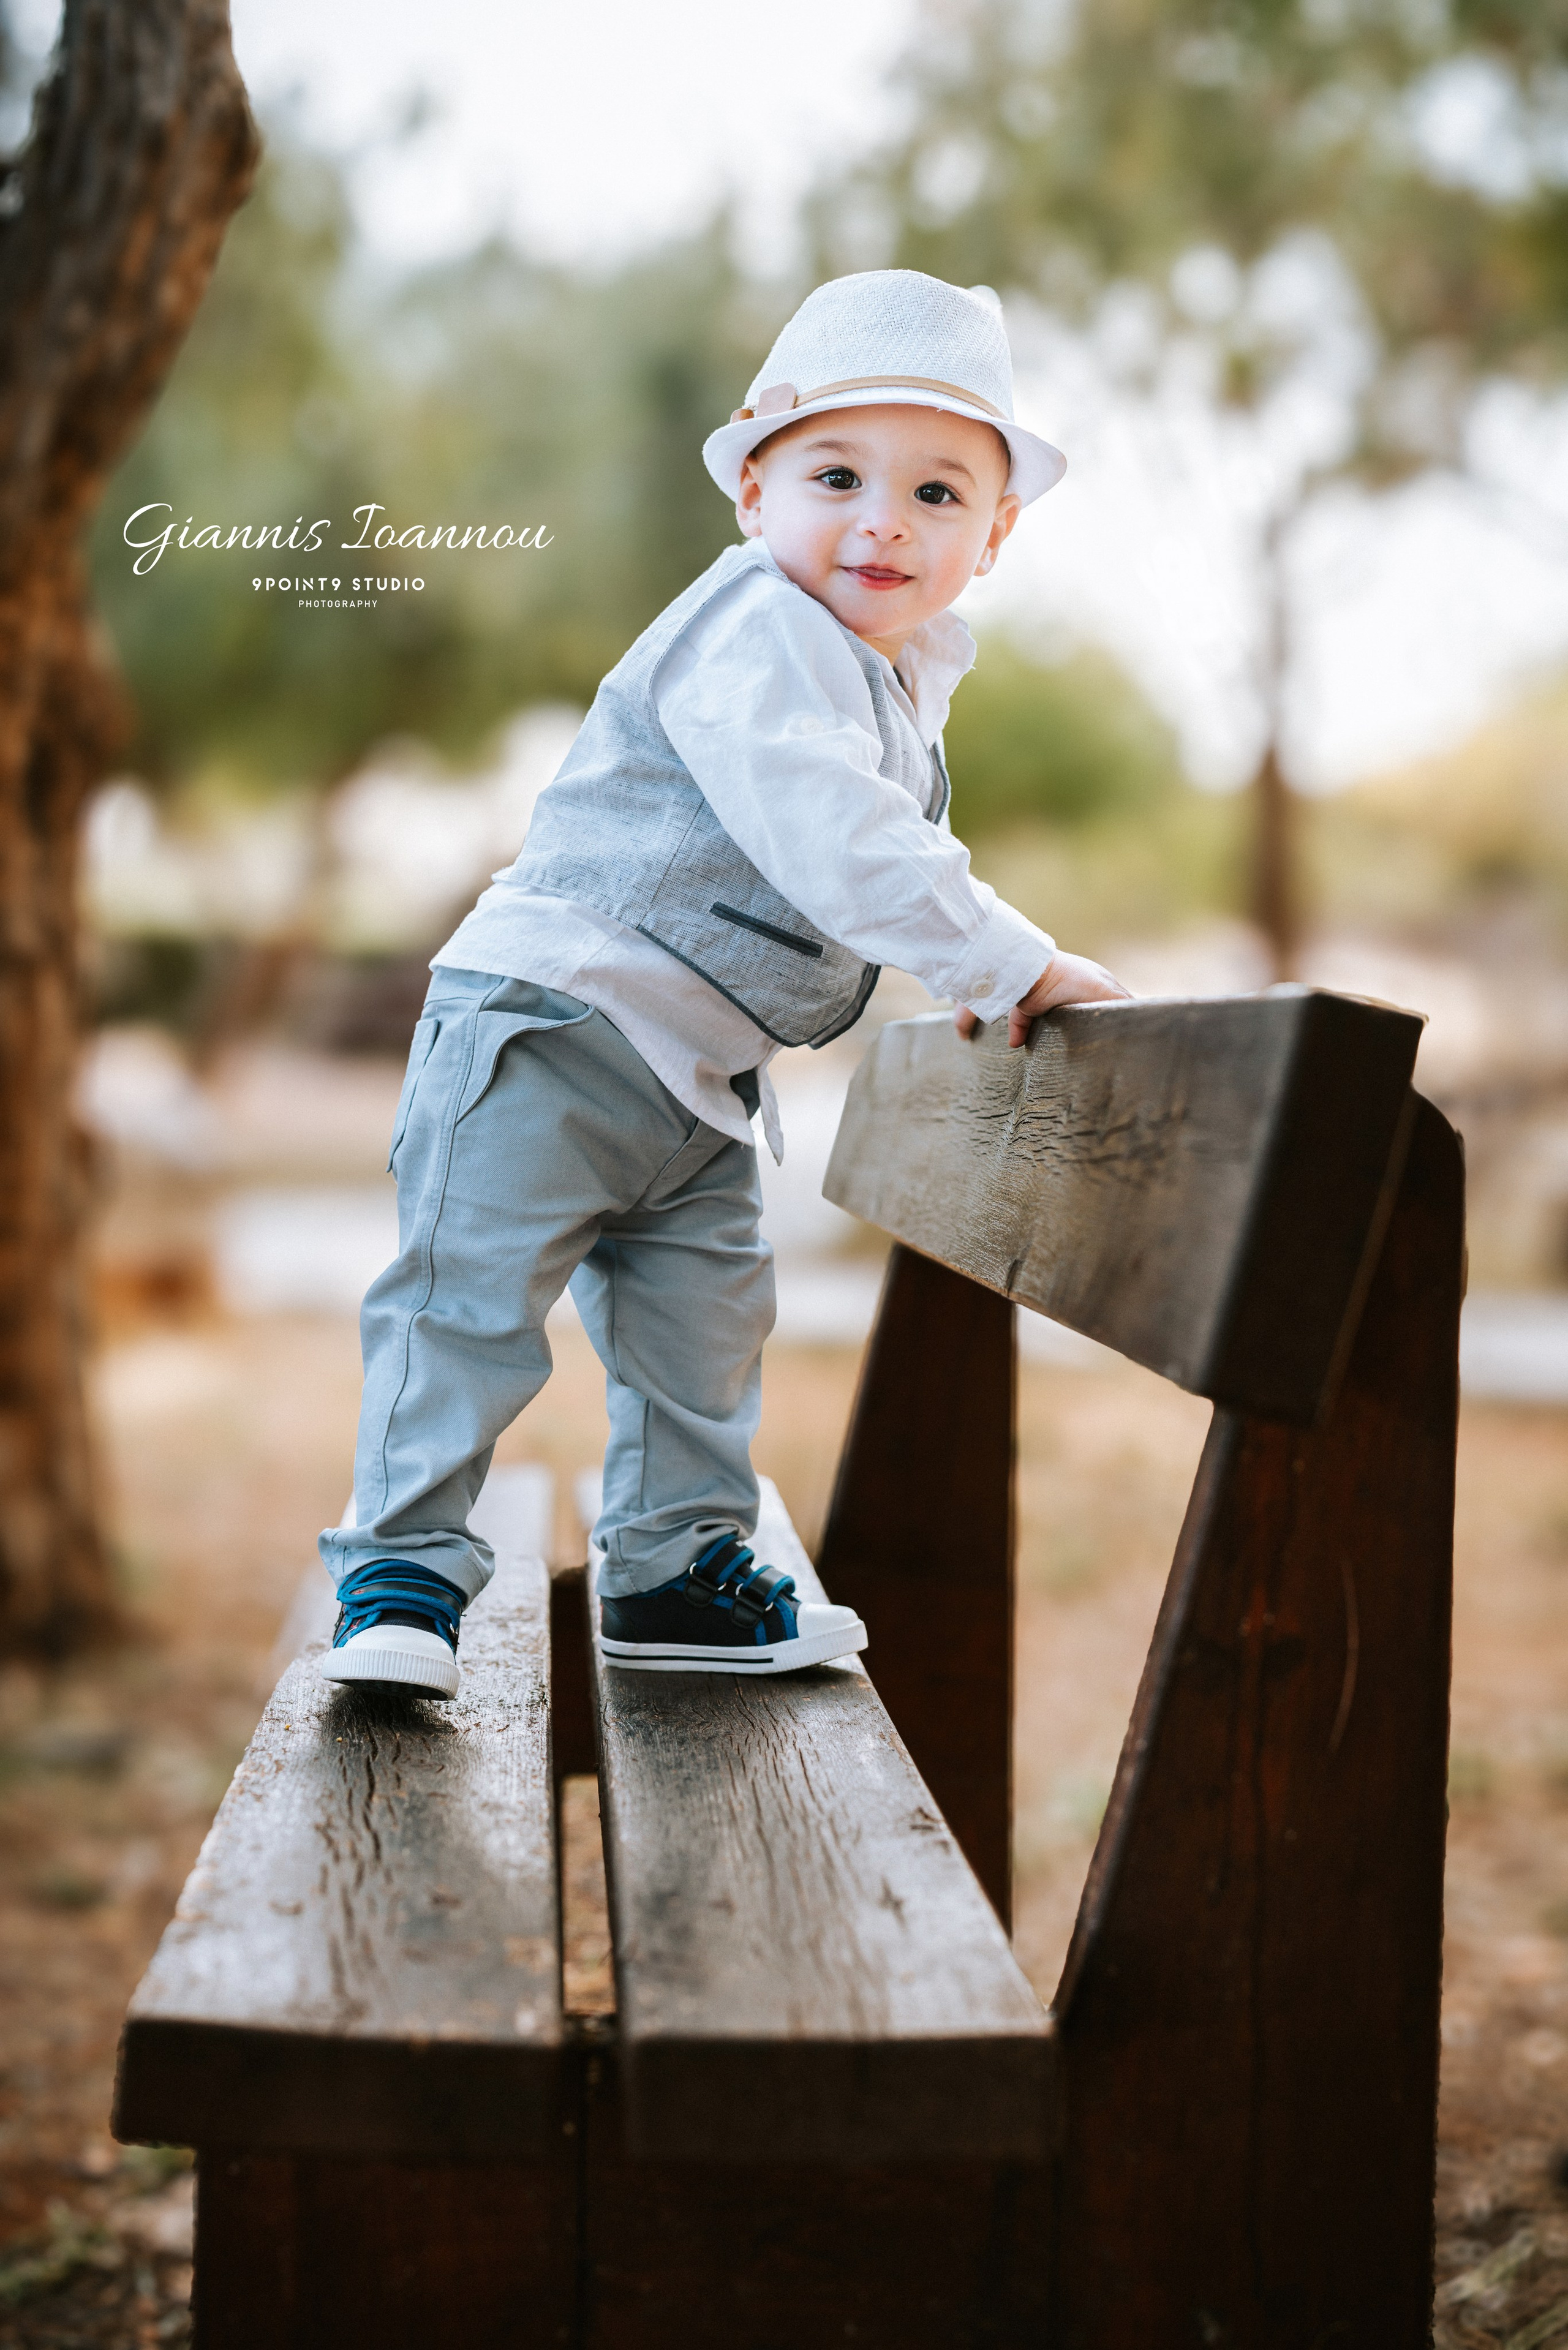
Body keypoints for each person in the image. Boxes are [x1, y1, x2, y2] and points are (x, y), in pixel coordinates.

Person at [318, 268, 1129, 1700]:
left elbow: (846, 878)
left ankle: (671, 1567)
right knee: (467, 1299)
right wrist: (1009, 962)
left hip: (696, 1082)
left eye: (938, 495)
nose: (882, 519)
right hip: (549, 1024)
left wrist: (941, 977)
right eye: (837, 475)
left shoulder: (884, 676)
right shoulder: (749, 624)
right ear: (752, 492)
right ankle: (399, 1574)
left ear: (994, 538)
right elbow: (835, 834)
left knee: (706, 1330)